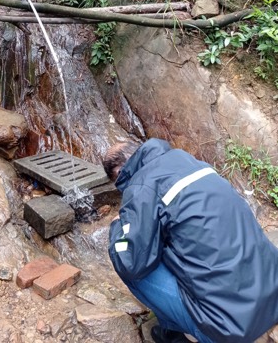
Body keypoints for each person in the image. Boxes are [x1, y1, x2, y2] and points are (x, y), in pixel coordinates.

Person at [103, 138, 278, 343]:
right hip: (272, 298)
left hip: (231, 329)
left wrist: (117, 227)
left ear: (119, 173)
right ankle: (172, 330)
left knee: (130, 258)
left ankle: (181, 333)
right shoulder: (191, 162)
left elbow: (130, 263)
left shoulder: (142, 185)